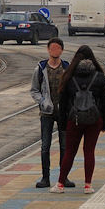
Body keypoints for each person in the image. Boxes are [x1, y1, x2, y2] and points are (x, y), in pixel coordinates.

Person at [53, 45, 105, 194]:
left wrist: (63, 123)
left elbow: (63, 102)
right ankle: (88, 185)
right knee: (89, 151)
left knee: (70, 152)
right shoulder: (98, 75)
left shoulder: (69, 75)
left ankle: (60, 184)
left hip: (75, 119)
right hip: (94, 119)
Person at [30, 37, 74, 188]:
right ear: (48, 50)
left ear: (62, 50)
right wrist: (42, 101)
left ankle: (63, 177)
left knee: (64, 146)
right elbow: (34, 90)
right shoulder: (40, 69)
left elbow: (73, 89)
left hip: (64, 113)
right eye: (52, 48)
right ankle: (45, 178)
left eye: (58, 48)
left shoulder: (67, 68)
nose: (55, 51)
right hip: (46, 113)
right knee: (45, 146)